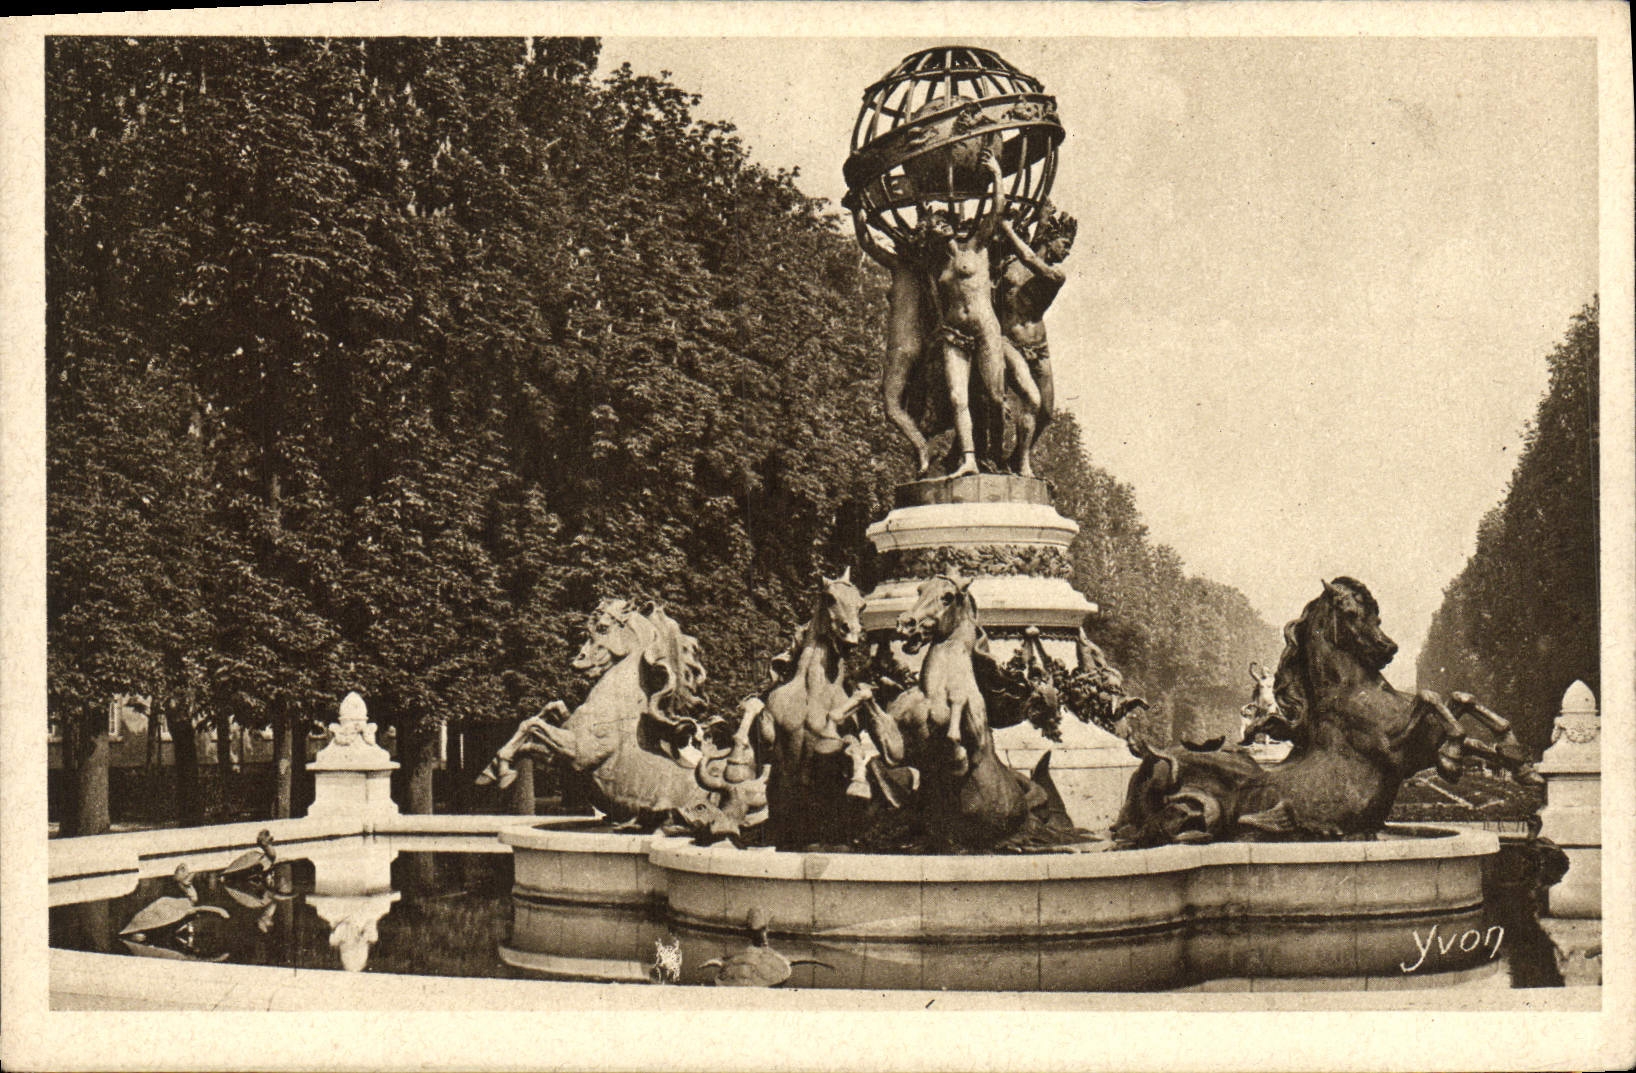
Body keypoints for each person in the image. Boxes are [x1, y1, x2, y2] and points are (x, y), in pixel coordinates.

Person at [922, 147, 1034, 478]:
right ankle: (968, 458)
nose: (936, 227)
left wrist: (997, 174)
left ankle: (1000, 459)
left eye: (940, 222)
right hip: (953, 334)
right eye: (932, 225)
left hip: (985, 329)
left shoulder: (977, 246)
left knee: (995, 398)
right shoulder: (936, 264)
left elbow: (997, 210)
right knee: (958, 396)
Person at [855, 213, 939, 476]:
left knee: (891, 407)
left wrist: (858, 215)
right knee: (916, 406)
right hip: (924, 344)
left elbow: (867, 243)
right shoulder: (928, 271)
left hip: (901, 345)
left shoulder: (900, 267)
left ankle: (921, 447)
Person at [995, 206, 1076, 477]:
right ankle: (1023, 463)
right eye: (1064, 245)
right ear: (1049, 239)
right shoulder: (1007, 266)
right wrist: (1042, 211)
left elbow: (1030, 256)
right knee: (1032, 400)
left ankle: (1016, 456)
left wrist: (1005, 226)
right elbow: (1030, 249)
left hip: (1040, 348)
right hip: (1009, 342)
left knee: (1047, 413)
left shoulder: (1055, 275)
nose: (1066, 252)